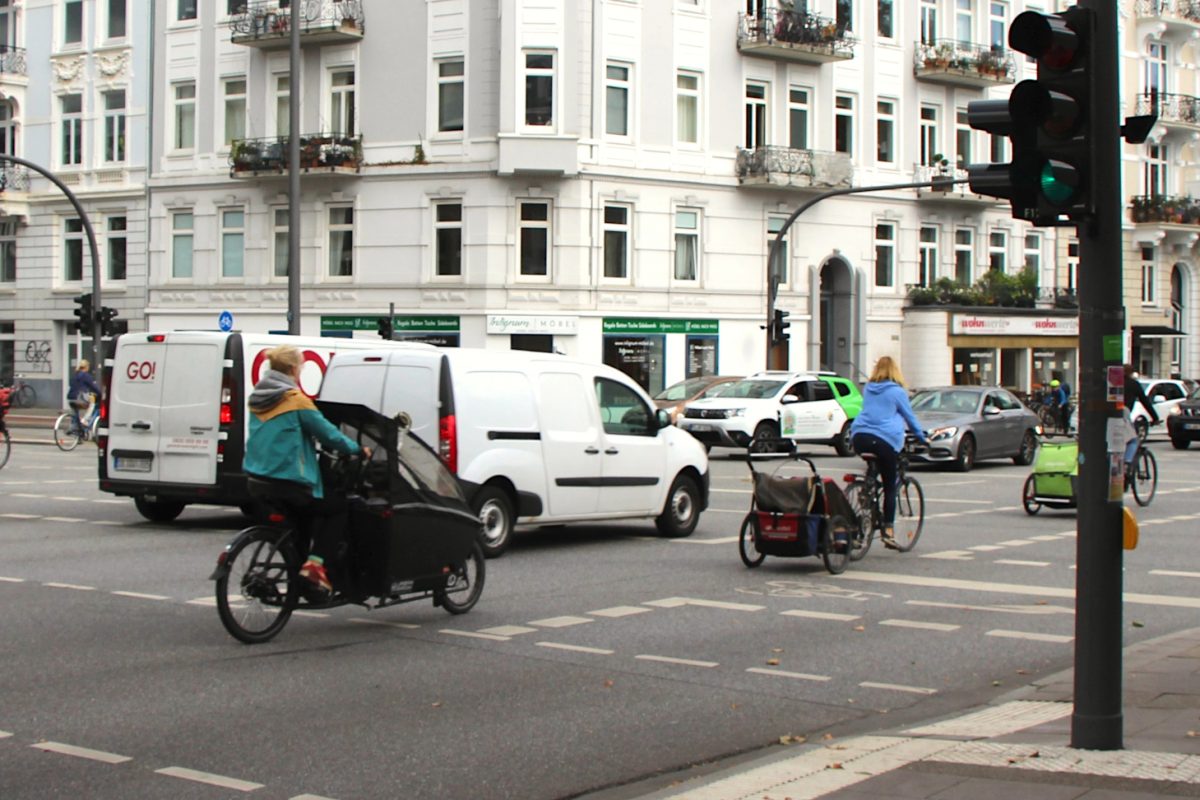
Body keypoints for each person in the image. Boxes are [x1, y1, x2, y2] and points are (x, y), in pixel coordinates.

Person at [243, 345, 369, 595]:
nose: (301, 370)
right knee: (338, 508)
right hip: (288, 481)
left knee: (300, 523)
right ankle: (315, 566)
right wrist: (356, 449)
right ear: (292, 369)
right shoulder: (295, 400)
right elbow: (328, 434)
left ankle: (300, 582)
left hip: (257, 478)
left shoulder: (258, 398)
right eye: (300, 366)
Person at [849, 357, 928, 549]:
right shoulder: (897, 392)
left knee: (874, 468)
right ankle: (888, 531)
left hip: (859, 436)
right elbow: (909, 416)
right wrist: (922, 437)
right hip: (884, 440)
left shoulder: (868, 388)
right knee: (890, 485)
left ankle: (865, 494)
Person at [1123, 363, 1159, 467]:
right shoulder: (1134, 384)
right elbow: (1145, 402)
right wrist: (1155, 418)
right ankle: (1127, 463)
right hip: (1124, 414)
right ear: (1131, 373)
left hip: (1108, 415)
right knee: (1133, 440)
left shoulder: (1112, 383)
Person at [67, 360, 101, 434]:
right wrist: (100, 394)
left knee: (75, 413)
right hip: (80, 398)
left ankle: (75, 429)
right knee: (92, 403)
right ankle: (85, 420)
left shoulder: (75, 375)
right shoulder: (86, 376)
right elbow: (93, 387)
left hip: (71, 398)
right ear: (86, 367)